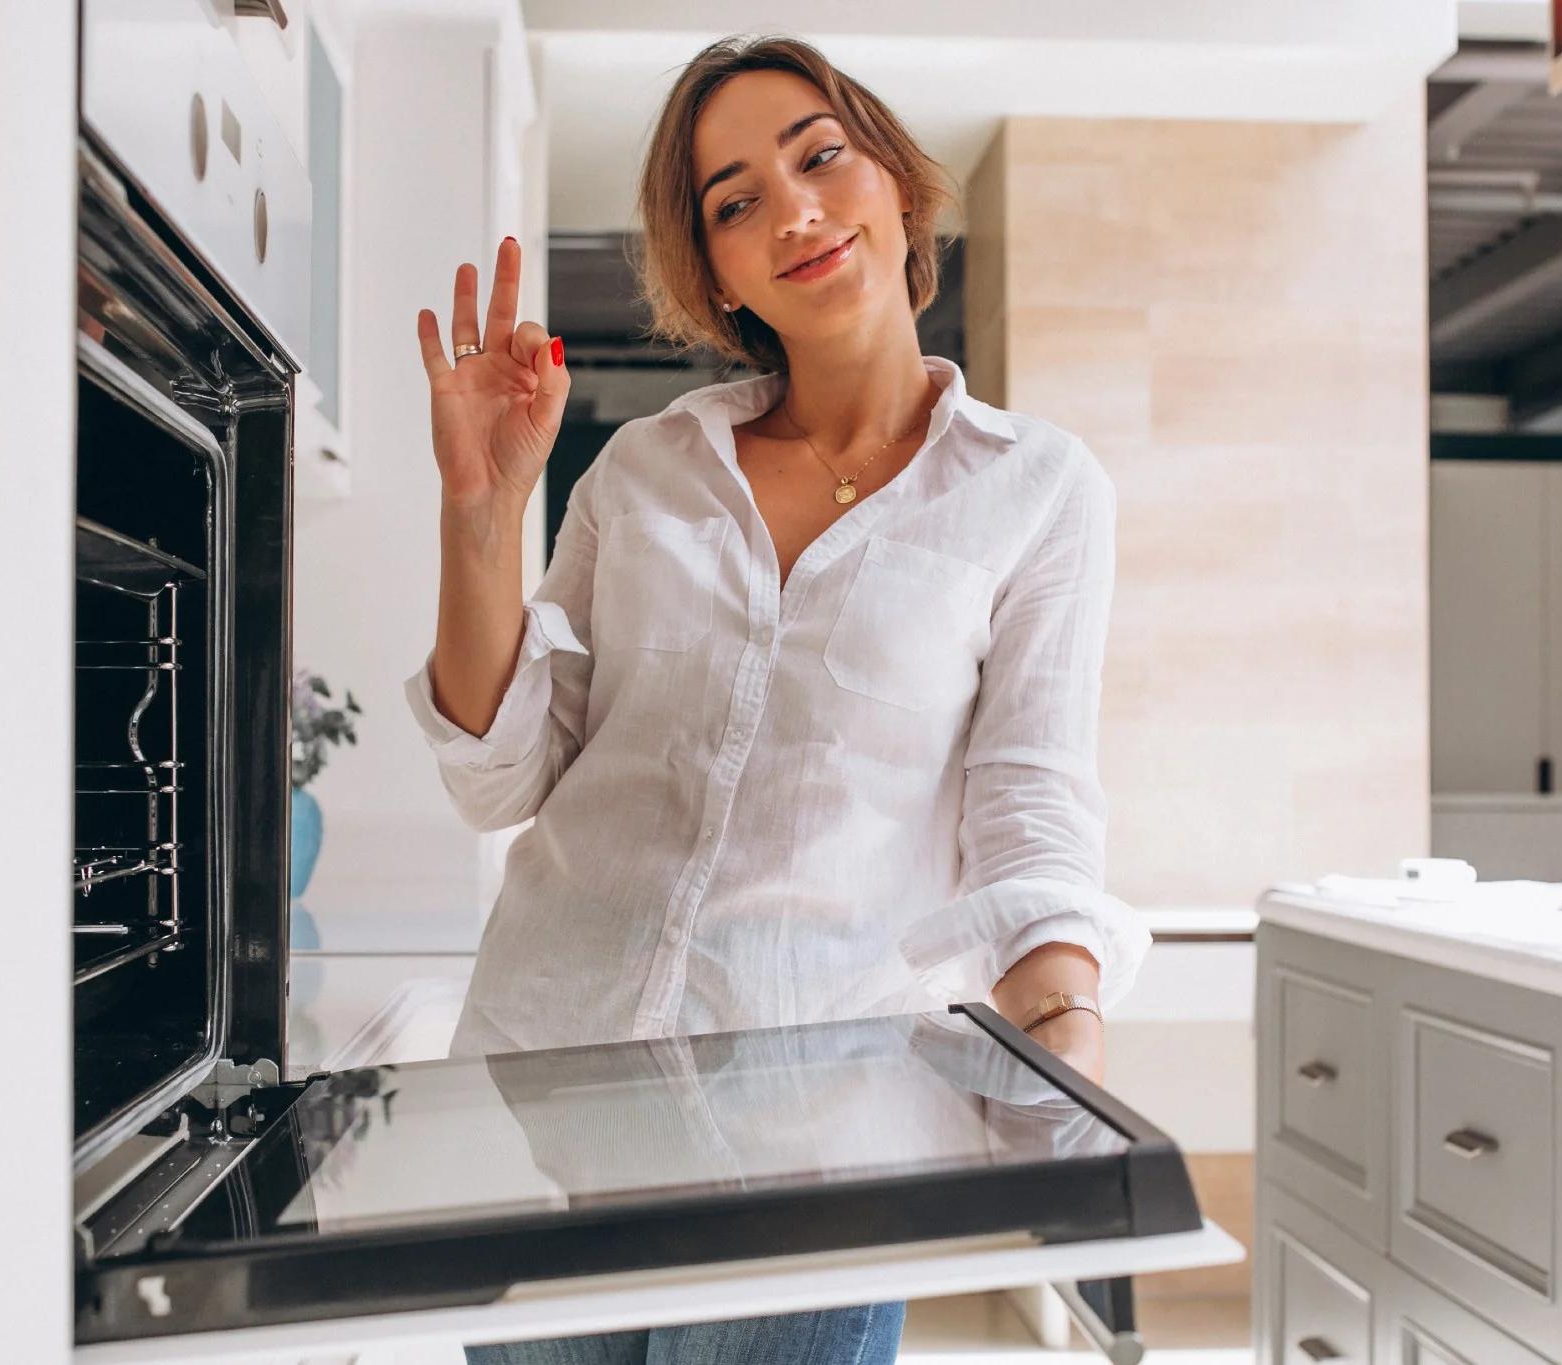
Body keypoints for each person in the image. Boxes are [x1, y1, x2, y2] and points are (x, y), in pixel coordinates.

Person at [407, 34, 1147, 1365]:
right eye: (736, 201)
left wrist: (1067, 1050)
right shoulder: (643, 472)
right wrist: (483, 518)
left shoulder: (1038, 490)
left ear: (898, 187)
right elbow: (500, 776)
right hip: (544, 1106)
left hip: (816, 1150)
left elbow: (1029, 800)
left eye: (820, 157)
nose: (792, 210)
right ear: (717, 271)